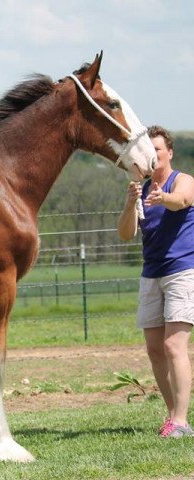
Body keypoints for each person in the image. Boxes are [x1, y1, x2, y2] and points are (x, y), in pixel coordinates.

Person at [118, 125, 194, 437]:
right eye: (150, 150)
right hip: (151, 274)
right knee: (154, 349)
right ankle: (172, 415)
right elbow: (125, 234)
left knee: (173, 344)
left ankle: (180, 420)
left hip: (182, 271)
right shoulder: (142, 187)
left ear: (169, 153)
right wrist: (129, 203)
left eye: (159, 150)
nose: (154, 155)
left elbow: (183, 201)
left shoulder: (183, 180)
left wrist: (164, 198)